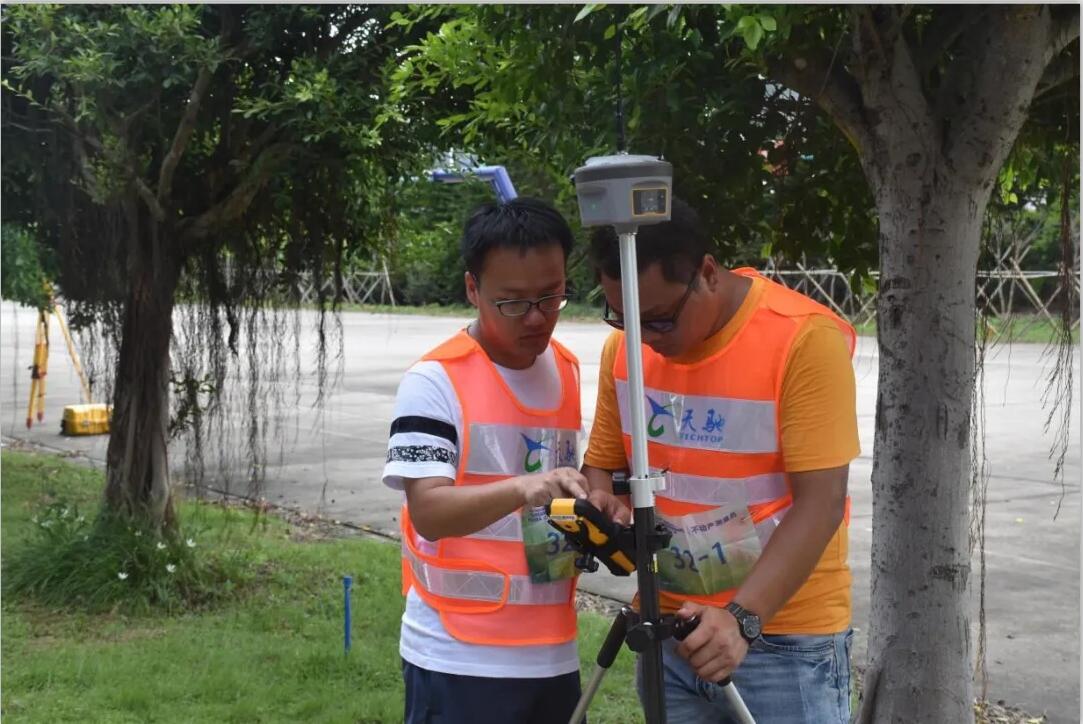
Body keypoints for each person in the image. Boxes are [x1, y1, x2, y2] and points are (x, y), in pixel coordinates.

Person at [583, 197, 859, 723]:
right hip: (670, 630)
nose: (644, 339)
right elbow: (605, 463)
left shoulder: (803, 339)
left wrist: (741, 619)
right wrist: (603, 501)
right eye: (623, 319)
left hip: (781, 639)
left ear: (707, 273)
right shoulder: (625, 350)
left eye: (659, 320)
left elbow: (821, 504)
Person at [383, 197, 591, 724]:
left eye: (552, 296)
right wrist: (522, 488)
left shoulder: (566, 369)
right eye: (513, 303)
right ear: (473, 289)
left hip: (554, 652)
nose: (537, 317)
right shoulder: (433, 382)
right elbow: (429, 511)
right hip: (458, 656)